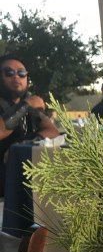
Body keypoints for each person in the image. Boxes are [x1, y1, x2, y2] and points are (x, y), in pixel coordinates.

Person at [0, 54, 59, 196]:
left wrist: (23, 145)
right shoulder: (28, 103)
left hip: (25, 180)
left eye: (21, 73)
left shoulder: (29, 103)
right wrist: (25, 106)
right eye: (9, 72)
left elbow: (52, 131)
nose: (16, 77)